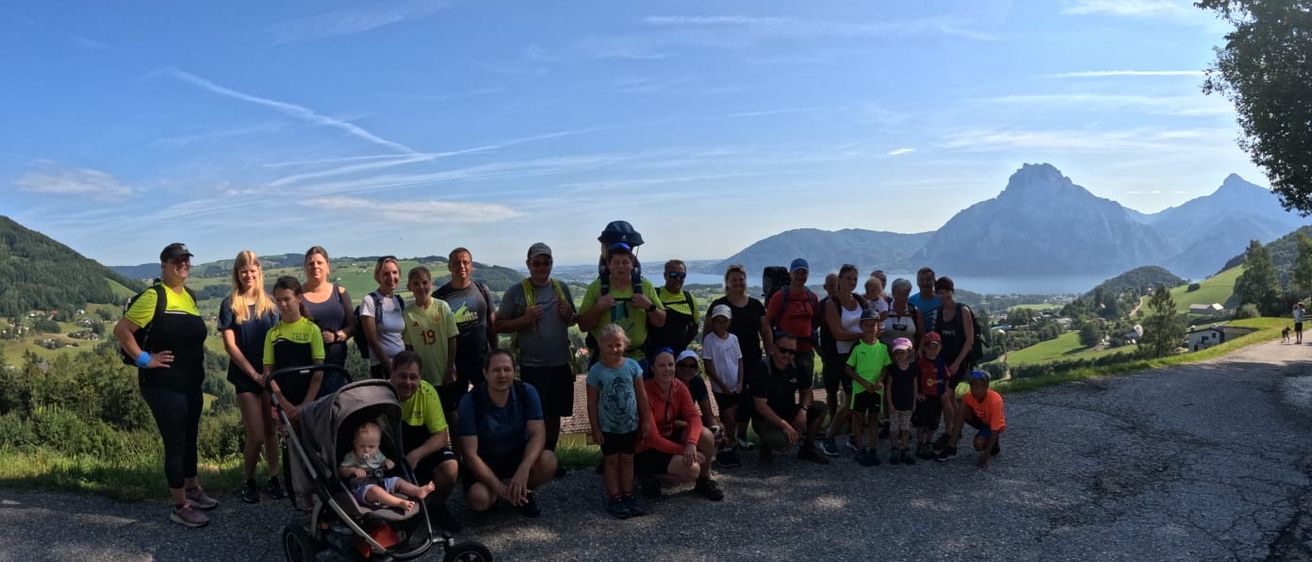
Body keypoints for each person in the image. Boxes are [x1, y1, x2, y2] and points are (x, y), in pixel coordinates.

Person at [113, 242, 216, 527]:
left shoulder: (190, 297)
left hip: (191, 382)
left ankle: (193, 489)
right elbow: (122, 330)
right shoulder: (154, 296)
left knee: (189, 438)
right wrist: (145, 359)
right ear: (164, 265)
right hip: (162, 385)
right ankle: (180, 505)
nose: (183, 264)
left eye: (186, 259)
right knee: (175, 444)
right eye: (176, 260)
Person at [497, 242, 577, 458]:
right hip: (532, 365)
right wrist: (526, 319)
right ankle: (532, 458)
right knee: (534, 415)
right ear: (528, 264)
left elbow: (571, 321)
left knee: (555, 415)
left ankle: (549, 458)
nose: (542, 267)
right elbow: (499, 326)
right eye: (537, 263)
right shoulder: (516, 292)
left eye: (547, 262)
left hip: (560, 362)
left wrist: (568, 315)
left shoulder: (562, 288)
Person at [218, 251, 285, 504]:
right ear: (237, 274)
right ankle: (249, 480)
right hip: (245, 378)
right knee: (255, 434)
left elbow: (278, 339)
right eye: (243, 270)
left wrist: (267, 374)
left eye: (252, 270)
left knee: (271, 432)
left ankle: (274, 477)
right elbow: (230, 347)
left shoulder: (270, 304)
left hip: (269, 376)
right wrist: (254, 374)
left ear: (259, 272)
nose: (248, 274)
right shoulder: (229, 304)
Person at [457, 351, 557, 517]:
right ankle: (502, 495)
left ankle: (524, 492)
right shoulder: (470, 401)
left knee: (549, 461)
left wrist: (524, 469)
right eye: (496, 370)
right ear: (485, 373)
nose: (502, 375)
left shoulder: (527, 391)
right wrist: (499, 489)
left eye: (507, 369)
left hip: (517, 456)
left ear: (514, 371)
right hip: (485, 460)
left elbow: (538, 434)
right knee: (480, 499)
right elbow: (470, 455)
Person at [635, 349, 724, 501]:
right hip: (647, 448)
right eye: (662, 365)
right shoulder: (645, 391)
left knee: (706, 436)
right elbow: (653, 438)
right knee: (691, 470)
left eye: (670, 364)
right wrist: (684, 451)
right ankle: (645, 474)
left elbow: (694, 417)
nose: (667, 369)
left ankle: (704, 481)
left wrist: (691, 443)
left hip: (669, 438)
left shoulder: (679, 386)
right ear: (652, 368)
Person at [702, 264, 772, 453]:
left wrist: (770, 356)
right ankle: (729, 440)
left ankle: (741, 436)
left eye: (741, 279)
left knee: (747, 402)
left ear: (745, 281)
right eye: (734, 280)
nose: (738, 283)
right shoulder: (718, 305)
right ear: (728, 282)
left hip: (752, 360)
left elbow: (765, 332)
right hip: (726, 364)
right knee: (729, 406)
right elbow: (707, 335)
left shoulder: (755, 305)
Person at [587, 324, 652, 519]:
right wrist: (594, 427)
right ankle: (614, 497)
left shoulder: (633, 366)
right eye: (609, 346)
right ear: (601, 345)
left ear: (625, 344)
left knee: (628, 459)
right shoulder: (596, 371)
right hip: (608, 427)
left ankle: (628, 494)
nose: (615, 349)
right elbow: (591, 403)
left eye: (618, 345)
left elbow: (642, 396)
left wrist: (646, 420)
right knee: (612, 460)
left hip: (630, 425)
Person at [389, 351, 460, 526]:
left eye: (413, 377)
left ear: (420, 377)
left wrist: (416, 455)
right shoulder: (381, 394)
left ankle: (437, 505)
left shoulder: (427, 391)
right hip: (392, 452)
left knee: (450, 468)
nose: (408, 382)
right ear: (392, 374)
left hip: (420, 449)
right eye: (402, 376)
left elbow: (442, 436)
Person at [578, 242, 666, 364]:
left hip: (638, 358)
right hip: (605, 360)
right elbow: (583, 326)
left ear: (632, 264)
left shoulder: (645, 286)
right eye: (616, 262)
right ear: (609, 265)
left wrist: (649, 306)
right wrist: (599, 307)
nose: (621, 266)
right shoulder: (595, 288)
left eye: (625, 262)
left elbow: (661, 321)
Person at [436, 247, 499, 414]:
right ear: (449, 266)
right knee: (455, 411)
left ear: (471, 266)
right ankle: (460, 442)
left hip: (482, 360)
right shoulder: (439, 297)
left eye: (465, 262)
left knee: (488, 406)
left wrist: (496, 353)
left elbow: (492, 325)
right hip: (454, 364)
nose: (461, 266)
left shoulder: (482, 290)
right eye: (456, 263)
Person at [752, 335, 829, 464]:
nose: (787, 354)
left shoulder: (798, 365)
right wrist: (785, 426)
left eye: (792, 351)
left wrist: (803, 411)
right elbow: (761, 406)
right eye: (783, 350)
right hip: (764, 419)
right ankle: (766, 444)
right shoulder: (762, 368)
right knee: (784, 443)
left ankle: (808, 448)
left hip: (788, 412)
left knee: (820, 408)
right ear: (774, 348)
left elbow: (807, 392)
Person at [264, 276, 326, 422]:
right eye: (278, 300)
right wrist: (284, 404)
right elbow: (268, 373)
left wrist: (305, 404)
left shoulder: (312, 330)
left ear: (298, 298)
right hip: (282, 403)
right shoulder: (272, 334)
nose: (283, 305)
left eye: (287, 299)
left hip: (310, 401)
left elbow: (319, 372)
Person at [819, 264, 866, 457]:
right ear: (840, 280)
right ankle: (829, 436)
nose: (852, 282)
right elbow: (837, 334)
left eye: (855, 278)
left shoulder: (860, 300)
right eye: (848, 278)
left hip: (860, 356)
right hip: (841, 358)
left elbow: (871, 322)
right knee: (852, 400)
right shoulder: (832, 303)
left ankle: (855, 438)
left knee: (858, 399)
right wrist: (864, 336)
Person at [339, 421, 437, 511]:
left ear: (378, 445)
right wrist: (352, 470)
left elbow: (384, 461)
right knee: (375, 490)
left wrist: (388, 462)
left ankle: (417, 491)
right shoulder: (351, 456)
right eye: (362, 446)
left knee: (397, 480)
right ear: (354, 443)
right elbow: (341, 471)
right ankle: (399, 502)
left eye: (371, 447)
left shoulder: (377, 454)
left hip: (381, 481)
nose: (367, 450)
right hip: (362, 488)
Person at [844, 308, 890, 466]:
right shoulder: (857, 347)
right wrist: (863, 382)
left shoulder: (883, 347)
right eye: (867, 325)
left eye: (873, 325)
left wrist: (880, 381)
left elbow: (886, 367)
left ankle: (873, 449)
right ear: (861, 326)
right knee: (858, 419)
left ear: (878, 326)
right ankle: (860, 449)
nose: (871, 328)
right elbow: (848, 369)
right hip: (860, 390)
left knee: (873, 420)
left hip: (876, 390)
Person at [702, 304, 745, 468]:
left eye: (724, 321)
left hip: (735, 386)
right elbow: (708, 366)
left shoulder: (733, 338)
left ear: (729, 322)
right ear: (713, 322)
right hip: (721, 388)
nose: (721, 324)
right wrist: (722, 385)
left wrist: (740, 382)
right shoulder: (709, 340)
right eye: (717, 321)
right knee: (728, 418)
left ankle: (729, 446)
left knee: (733, 418)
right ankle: (727, 447)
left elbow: (740, 361)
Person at [401, 267, 458, 390]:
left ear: (431, 284)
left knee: (449, 408)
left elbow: (452, 339)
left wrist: (450, 368)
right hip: (423, 377)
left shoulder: (442, 307)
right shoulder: (407, 313)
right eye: (416, 284)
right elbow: (409, 347)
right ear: (409, 287)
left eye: (425, 282)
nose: (421, 287)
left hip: (445, 374)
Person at [767, 258, 820, 385]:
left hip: (806, 350)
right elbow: (768, 323)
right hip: (785, 353)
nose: (800, 276)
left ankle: (804, 406)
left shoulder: (812, 297)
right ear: (790, 274)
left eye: (804, 273)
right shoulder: (779, 297)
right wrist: (771, 349)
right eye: (797, 273)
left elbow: (815, 322)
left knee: (805, 387)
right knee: (784, 388)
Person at [938, 371, 1006, 468]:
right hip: (980, 420)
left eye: (978, 387)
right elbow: (960, 417)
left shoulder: (995, 401)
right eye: (972, 387)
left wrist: (985, 455)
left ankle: (993, 445)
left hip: (991, 426)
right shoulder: (968, 396)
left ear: (986, 387)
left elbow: (995, 429)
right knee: (962, 408)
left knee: (978, 444)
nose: (974, 390)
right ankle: (951, 447)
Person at [301, 246, 355, 368]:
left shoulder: (340, 293)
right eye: (311, 263)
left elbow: (352, 326)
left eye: (319, 262)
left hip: (336, 365)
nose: (315, 266)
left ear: (327, 266)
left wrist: (336, 336)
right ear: (305, 267)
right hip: (306, 365)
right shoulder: (297, 296)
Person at [360, 256, 405, 379]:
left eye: (394, 272)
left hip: (402, 365)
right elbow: (372, 341)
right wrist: (390, 369)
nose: (391, 277)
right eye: (386, 274)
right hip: (382, 368)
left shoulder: (399, 301)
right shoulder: (370, 301)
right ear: (378, 276)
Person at [646, 259, 699, 357]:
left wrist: (683, 343)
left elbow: (694, 327)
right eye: (673, 275)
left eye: (682, 275)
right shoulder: (654, 295)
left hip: (678, 357)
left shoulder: (689, 299)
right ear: (665, 276)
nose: (678, 279)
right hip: (653, 356)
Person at [912, 332, 953, 460]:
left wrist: (946, 391)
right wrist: (916, 394)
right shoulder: (919, 363)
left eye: (936, 347)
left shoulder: (941, 362)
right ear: (924, 348)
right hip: (924, 397)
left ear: (940, 348)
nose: (933, 350)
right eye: (930, 347)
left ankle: (928, 442)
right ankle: (920, 444)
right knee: (921, 423)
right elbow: (913, 379)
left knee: (933, 423)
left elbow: (947, 377)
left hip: (937, 397)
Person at [933, 276, 976, 393]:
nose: (943, 295)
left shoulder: (963, 310)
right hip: (944, 359)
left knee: (946, 393)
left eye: (946, 291)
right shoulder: (940, 312)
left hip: (960, 359)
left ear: (952, 291)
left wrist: (957, 364)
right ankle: (955, 412)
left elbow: (969, 340)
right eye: (940, 292)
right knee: (948, 395)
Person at [884, 337, 920, 465]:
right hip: (895, 404)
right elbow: (888, 387)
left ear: (909, 352)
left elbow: (915, 386)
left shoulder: (913, 369)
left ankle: (905, 448)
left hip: (907, 403)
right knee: (894, 428)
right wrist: (890, 403)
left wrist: (914, 402)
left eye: (902, 352)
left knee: (905, 428)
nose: (899, 356)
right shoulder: (892, 369)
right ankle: (894, 448)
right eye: (897, 353)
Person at [675, 349, 721, 440]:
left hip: (689, 420)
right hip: (673, 424)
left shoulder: (697, 382)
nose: (687, 369)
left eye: (692, 366)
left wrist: (717, 430)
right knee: (704, 435)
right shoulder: (670, 383)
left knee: (719, 427)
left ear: (696, 369)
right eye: (683, 365)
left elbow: (708, 413)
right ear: (676, 367)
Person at [815, 273, 842, 425]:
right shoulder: (822, 305)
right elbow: (812, 329)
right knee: (831, 391)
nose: (835, 288)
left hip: (848, 354)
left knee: (850, 391)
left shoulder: (849, 303)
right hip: (829, 355)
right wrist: (819, 350)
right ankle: (833, 421)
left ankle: (849, 423)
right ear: (825, 288)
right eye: (831, 285)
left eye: (837, 285)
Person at [883, 278, 921, 347]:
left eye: (905, 294)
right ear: (893, 293)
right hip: (885, 355)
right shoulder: (885, 309)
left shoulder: (915, 311)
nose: (902, 297)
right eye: (899, 293)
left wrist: (918, 351)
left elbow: (921, 335)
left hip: (909, 356)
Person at [908, 267, 941, 334]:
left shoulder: (941, 300)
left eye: (928, 280)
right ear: (917, 282)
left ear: (934, 282)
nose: (925, 282)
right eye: (921, 280)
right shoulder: (911, 301)